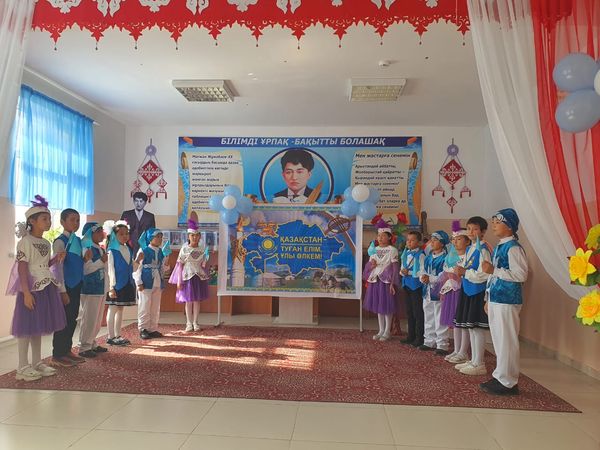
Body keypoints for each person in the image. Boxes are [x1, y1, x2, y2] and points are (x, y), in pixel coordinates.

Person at [6, 196, 66, 381]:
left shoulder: (46, 243)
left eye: (49, 219)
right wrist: (26, 292)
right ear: (32, 221)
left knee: (38, 326)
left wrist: (55, 259)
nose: (48, 222)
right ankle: (22, 366)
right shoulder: (25, 241)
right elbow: (22, 268)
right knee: (26, 327)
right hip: (31, 288)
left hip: (46, 286)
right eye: (44, 219)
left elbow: (43, 264)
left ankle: (37, 362)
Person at [480, 208, 528, 396]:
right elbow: (493, 277)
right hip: (497, 298)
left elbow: (521, 275)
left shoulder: (513, 248)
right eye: (493, 222)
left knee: (507, 340)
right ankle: (501, 375)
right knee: (499, 340)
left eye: (497, 222)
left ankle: (508, 381)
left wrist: (494, 270)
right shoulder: (500, 246)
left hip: (507, 300)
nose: (493, 225)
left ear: (509, 226)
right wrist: (488, 298)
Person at [453, 216, 492, 376]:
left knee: (477, 328)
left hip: (477, 291)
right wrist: (461, 270)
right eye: (468, 228)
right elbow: (468, 267)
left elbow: (484, 274)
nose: (471, 232)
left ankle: (479, 363)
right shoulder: (470, 249)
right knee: (471, 327)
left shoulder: (483, 250)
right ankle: (473, 360)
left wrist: (465, 273)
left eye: (475, 229)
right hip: (468, 289)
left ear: (483, 232)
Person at [51, 208, 86, 367]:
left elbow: (76, 263)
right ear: (62, 222)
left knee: (72, 319)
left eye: (78, 220)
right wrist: (62, 291)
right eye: (72, 220)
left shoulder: (77, 240)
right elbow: (57, 269)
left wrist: (85, 259)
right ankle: (58, 354)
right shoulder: (60, 242)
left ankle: (67, 350)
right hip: (65, 287)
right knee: (63, 320)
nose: (76, 223)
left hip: (76, 285)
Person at [169, 219, 210, 332]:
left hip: (199, 277)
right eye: (192, 235)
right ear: (188, 236)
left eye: (197, 235)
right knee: (188, 300)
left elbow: (203, 263)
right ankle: (188, 323)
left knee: (197, 300)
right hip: (187, 277)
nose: (195, 237)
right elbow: (180, 265)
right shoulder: (185, 249)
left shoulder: (202, 249)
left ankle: (196, 322)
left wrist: (205, 260)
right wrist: (179, 280)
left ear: (200, 236)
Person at [439, 226, 471, 364]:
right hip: (452, 291)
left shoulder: (469, 256)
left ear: (467, 241)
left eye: (459, 239)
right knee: (456, 322)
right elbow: (445, 274)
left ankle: (463, 351)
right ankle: (457, 350)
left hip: (464, 291)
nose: (455, 242)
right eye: (453, 239)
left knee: (463, 322)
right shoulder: (450, 257)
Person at [78, 222, 109, 358]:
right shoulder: (86, 248)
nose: (102, 234)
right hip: (90, 288)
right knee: (89, 318)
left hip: (100, 288)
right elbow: (87, 269)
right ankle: (84, 346)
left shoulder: (100, 248)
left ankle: (92, 342)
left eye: (102, 231)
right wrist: (101, 261)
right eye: (98, 231)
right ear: (90, 234)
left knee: (96, 319)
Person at [104, 220, 138, 346]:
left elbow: (131, 266)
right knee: (112, 309)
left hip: (127, 282)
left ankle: (118, 335)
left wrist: (138, 262)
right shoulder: (112, 251)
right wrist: (111, 287)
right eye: (121, 234)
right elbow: (110, 270)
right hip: (116, 285)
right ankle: (110, 336)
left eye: (127, 233)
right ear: (114, 236)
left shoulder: (128, 248)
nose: (125, 236)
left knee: (120, 309)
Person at [363, 225, 399, 341]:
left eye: (383, 236)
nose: (380, 238)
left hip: (386, 281)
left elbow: (394, 268)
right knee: (379, 305)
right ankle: (381, 330)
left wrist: (393, 283)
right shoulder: (374, 249)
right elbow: (369, 266)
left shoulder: (392, 250)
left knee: (387, 306)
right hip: (376, 280)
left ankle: (387, 331)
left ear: (389, 237)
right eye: (379, 236)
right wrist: (372, 265)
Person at [134, 228, 169, 339]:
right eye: (157, 237)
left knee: (155, 306)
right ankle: (143, 328)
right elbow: (137, 268)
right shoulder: (143, 250)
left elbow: (162, 267)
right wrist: (138, 282)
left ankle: (152, 328)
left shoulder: (161, 252)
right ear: (150, 238)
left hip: (157, 281)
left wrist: (166, 265)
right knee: (144, 305)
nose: (160, 239)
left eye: (161, 237)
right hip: (146, 280)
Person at [419, 230, 450, 355]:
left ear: (442, 243)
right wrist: (422, 277)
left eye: (435, 240)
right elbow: (422, 270)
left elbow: (444, 275)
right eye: (431, 239)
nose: (432, 242)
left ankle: (442, 344)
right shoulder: (428, 258)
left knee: (439, 316)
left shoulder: (445, 258)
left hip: (438, 292)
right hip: (427, 290)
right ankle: (429, 340)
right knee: (428, 315)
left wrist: (430, 278)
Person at [399, 231, 426, 347]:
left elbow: (422, 271)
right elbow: (402, 269)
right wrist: (402, 272)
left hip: (416, 286)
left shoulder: (421, 254)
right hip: (406, 284)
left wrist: (408, 272)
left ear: (419, 242)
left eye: (412, 240)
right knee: (409, 312)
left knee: (417, 312)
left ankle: (420, 338)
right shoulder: (405, 253)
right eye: (408, 240)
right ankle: (410, 336)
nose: (409, 242)